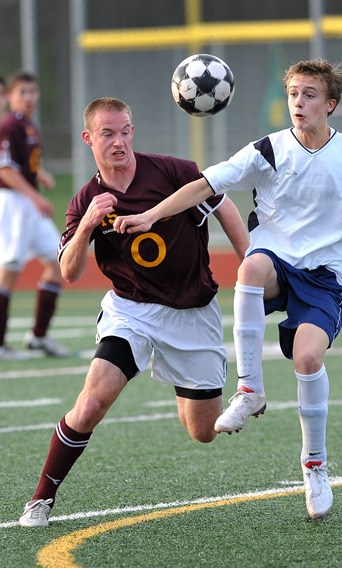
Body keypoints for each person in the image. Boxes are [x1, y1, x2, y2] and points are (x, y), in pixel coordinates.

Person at [113, 59, 342, 520]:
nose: (299, 102)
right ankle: (250, 389)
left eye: (310, 94)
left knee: (307, 358)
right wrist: (152, 215)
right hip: (277, 262)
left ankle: (314, 465)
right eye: (294, 94)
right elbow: (205, 185)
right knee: (251, 267)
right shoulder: (267, 150)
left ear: (330, 104)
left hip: (324, 277)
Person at [18, 97, 249, 527]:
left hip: (192, 314)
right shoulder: (85, 199)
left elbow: (225, 206)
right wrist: (87, 223)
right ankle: (41, 499)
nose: (119, 141)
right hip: (132, 312)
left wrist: (250, 265)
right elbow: (69, 271)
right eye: (108, 133)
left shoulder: (173, 172)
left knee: (202, 431)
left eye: (125, 130)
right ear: (89, 138)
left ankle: (185, 387)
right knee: (91, 403)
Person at [0, 70, 68, 359]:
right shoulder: (8, 125)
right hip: (14, 202)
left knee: (58, 261)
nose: (29, 98)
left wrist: (39, 173)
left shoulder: (28, 125)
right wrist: (36, 196)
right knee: (10, 270)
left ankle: (39, 337)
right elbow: (4, 169)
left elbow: (20, 163)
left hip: (27, 202)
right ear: (10, 97)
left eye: (33, 92)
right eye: (22, 92)